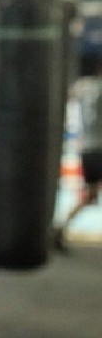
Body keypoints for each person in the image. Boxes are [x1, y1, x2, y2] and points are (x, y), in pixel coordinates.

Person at [55, 66, 102, 250]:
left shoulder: (84, 86)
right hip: (99, 148)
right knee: (90, 195)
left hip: (87, 149)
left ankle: (60, 227)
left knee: (90, 196)